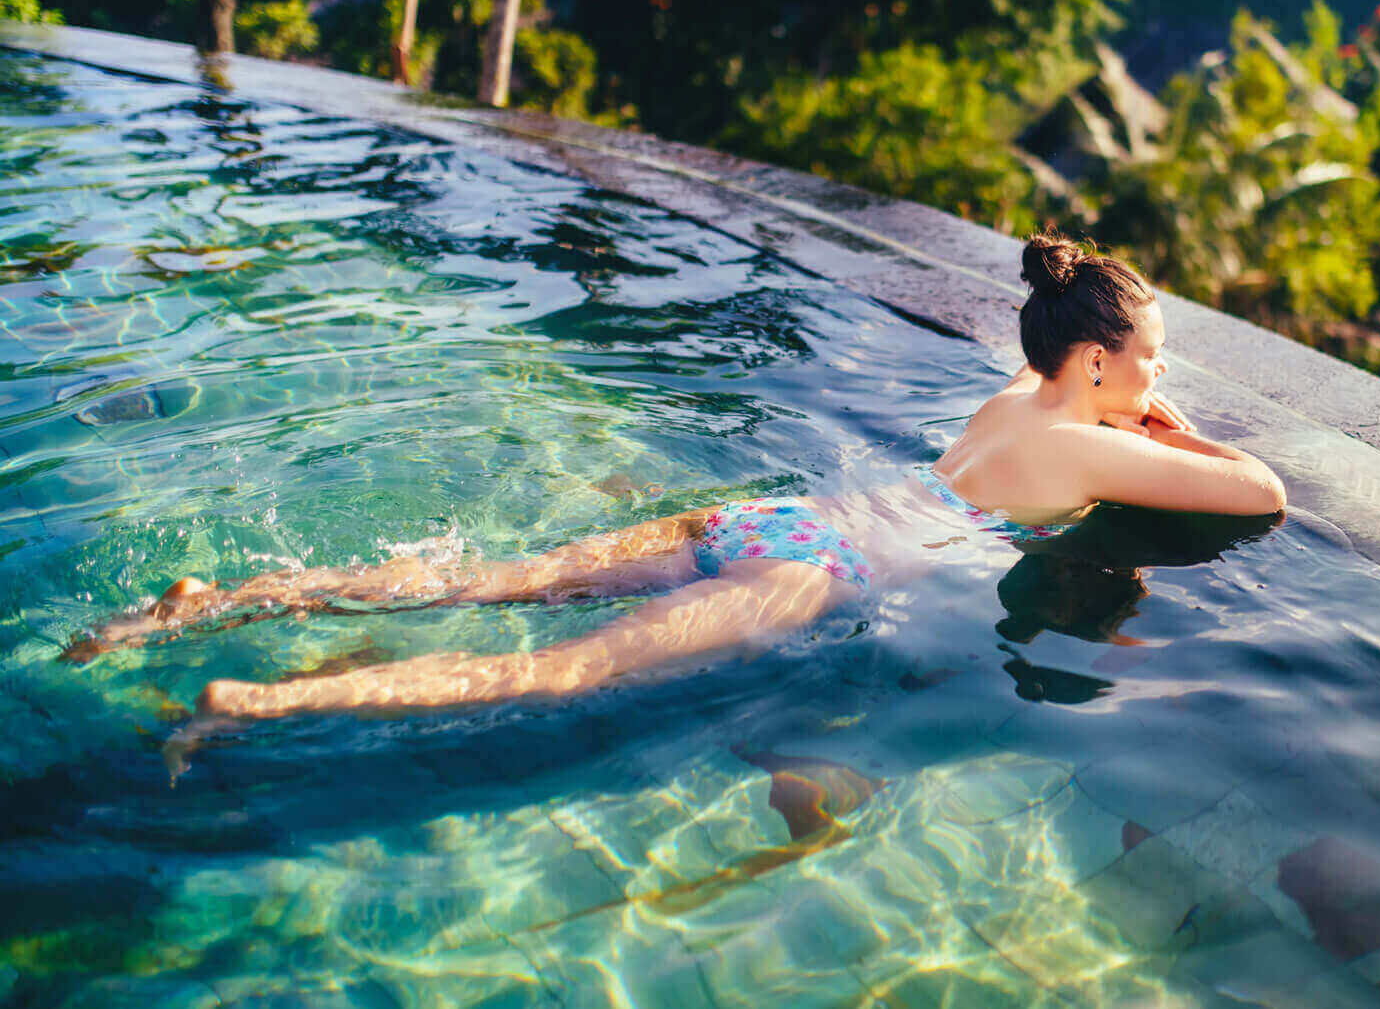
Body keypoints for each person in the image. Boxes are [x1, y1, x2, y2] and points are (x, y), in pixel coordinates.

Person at [67, 232, 1286, 751]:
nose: (1159, 379)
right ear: (1092, 361)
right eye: (1150, 359)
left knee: (493, 580)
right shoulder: (1086, 439)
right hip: (817, 571)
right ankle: (248, 703)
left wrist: (1130, 398)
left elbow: (1057, 390)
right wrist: (1171, 428)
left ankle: (226, 598)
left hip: (779, 517)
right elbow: (1261, 491)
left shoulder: (1017, 399)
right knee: (555, 669)